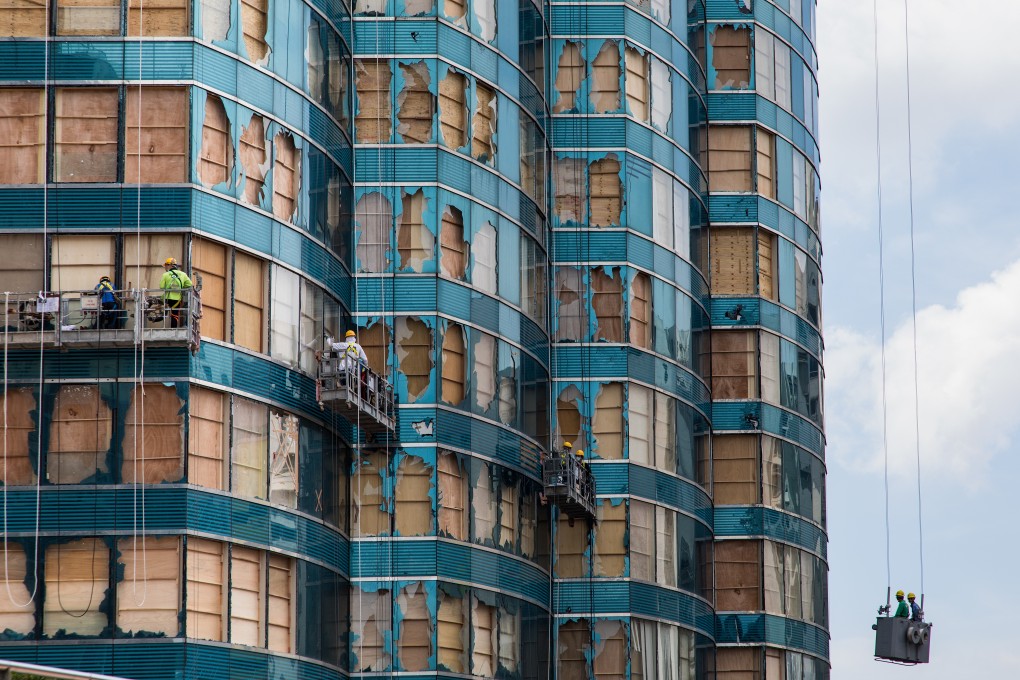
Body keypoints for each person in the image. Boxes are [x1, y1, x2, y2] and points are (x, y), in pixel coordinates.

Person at [159, 257, 192, 328]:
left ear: (169, 265)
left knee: (165, 310)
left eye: (166, 266)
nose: (165, 267)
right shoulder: (183, 274)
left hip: (167, 298)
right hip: (177, 299)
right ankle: (173, 329)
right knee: (175, 314)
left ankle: (162, 319)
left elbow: (161, 286)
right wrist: (181, 286)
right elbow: (189, 284)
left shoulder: (165, 275)